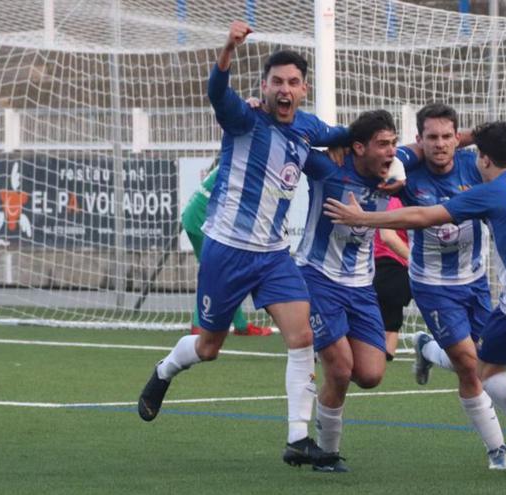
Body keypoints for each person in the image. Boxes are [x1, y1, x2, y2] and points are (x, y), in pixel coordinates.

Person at [323, 121, 506, 483]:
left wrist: (363, 217)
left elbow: (423, 216)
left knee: (483, 371)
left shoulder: (490, 191)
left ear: (485, 160)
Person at [137, 20, 351, 470]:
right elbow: (218, 92)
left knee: (302, 337)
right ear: (264, 87)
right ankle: (163, 372)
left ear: (304, 89)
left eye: (293, 82)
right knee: (210, 346)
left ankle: (298, 438)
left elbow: (347, 135)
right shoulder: (244, 118)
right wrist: (227, 49)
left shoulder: (307, 126)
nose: (284, 89)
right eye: (276, 82)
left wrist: (392, 150)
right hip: (228, 248)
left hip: (273, 255)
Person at [393, 103, 506, 470]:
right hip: (431, 284)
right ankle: (497, 451)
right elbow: (386, 166)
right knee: (468, 363)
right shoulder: (408, 171)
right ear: (420, 140)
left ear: (457, 139)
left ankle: (427, 349)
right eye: (432, 137)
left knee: (486, 362)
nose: (440, 144)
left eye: (447, 136)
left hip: (474, 279)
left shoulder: (475, 166)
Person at [295, 110, 398, 472]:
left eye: (393, 143)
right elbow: (291, 138)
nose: (391, 151)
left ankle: (319, 388)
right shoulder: (329, 168)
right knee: (339, 370)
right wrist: (332, 139)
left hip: (361, 286)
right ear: (358, 147)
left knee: (369, 374)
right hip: (318, 277)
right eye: (382, 144)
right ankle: (326, 454)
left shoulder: (396, 173)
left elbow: (439, 145)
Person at [180, 156, 272, 337]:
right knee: (215, 273)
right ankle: (198, 329)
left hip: (196, 216)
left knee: (224, 273)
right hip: (202, 218)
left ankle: (240, 325)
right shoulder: (248, 162)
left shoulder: (242, 157)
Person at [371, 197, 411, 360]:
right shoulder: (395, 200)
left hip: (394, 264)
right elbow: (387, 235)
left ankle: (386, 354)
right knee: (389, 311)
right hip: (389, 262)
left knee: (392, 314)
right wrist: (416, 260)